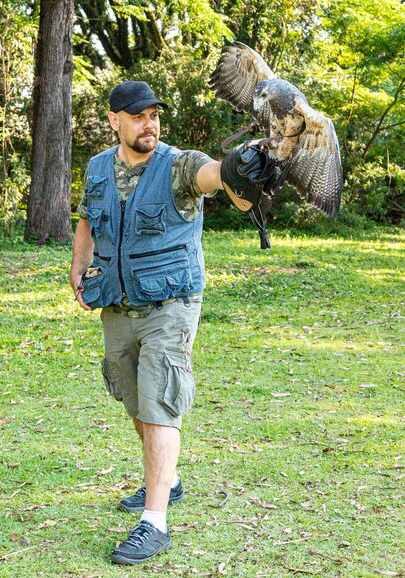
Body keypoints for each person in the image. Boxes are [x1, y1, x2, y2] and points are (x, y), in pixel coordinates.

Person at [69, 80, 269, 565]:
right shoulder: (99, 167)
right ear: (114, 120)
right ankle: (170, 480)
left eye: (154, 115)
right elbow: (88, 219)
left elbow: (210, 175)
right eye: (137, 116)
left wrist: (236, 168)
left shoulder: (177, 164)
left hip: (170, 304)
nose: (149, 124)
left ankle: (153, 523)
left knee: (160, 401)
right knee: (133, 395)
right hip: (117, 302)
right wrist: (79, 266)